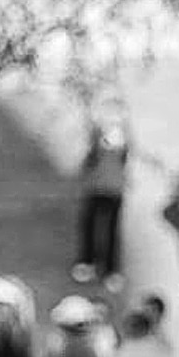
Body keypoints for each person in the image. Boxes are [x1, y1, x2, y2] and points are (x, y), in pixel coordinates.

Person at [72, 105, 130, 292]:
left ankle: (110, 270)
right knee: (89, 226)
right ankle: (88, 263)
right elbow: (88, 162)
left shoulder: (120, 142)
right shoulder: (98, 142)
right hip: (96, 188)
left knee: (111, 231)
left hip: (113, 190)